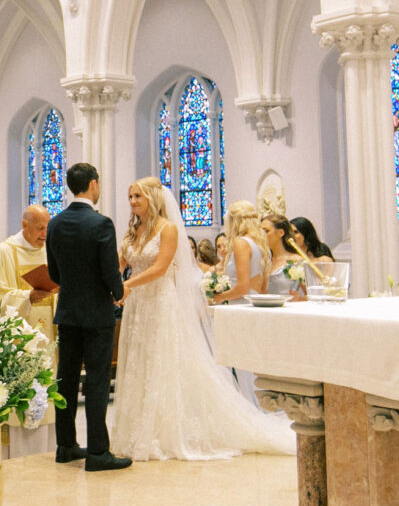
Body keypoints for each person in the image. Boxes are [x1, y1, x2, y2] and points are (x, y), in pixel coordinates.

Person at [114, 177, 296, 461]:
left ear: (152, 197)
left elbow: (161, 267)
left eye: (138, 196)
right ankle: (140, 430)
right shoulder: (131, 233)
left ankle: (166, 430)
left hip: (159, 302)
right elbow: (119, 264)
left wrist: (127, 285)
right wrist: (114, 284)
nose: (133, 201)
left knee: (163, 363)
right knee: (139, 362)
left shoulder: (168, 229)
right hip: (136, 305)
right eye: (130, 197)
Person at [45, 163, 131, 473]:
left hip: (67, 312)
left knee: (65, 379)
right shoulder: (100, 224)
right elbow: (110, 271)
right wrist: (118, 291)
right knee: (96, 381)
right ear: (93, 184)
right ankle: (97, 451)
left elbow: (54, 272)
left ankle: (65, 445)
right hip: (96, 313)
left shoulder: (54, 223)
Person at [0, 204, 58, 457]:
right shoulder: (6, 252)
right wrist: (28, 296)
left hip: (49, 335)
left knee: (49, 391)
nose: (44, 234)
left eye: (47, 228)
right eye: (40, 228)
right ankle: (20, 453)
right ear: (24, 225)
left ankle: (48, 451)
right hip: (20, 339)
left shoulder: (49, 251)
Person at [208, 202, 269, 306]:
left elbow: (242, 288)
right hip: (256, 302)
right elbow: (263, 287)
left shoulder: (241, 243)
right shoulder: (260, 242)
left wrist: (218, 297)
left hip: (242, 304)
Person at [262, 216, 309, 300]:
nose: (262, 236)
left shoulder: (296, 261)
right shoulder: (264, 261)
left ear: (281, 233)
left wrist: (299, 299)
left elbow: (311, 294)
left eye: (266, 231)